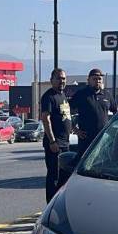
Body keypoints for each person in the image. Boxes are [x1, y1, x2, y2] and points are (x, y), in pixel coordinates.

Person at [39, 68, 72, 202]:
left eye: (63, 78)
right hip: (55, 144)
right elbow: (46, 119)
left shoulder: (63, 96)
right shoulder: (49, 97)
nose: (61, 81)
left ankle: (60, 204)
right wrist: (52, 141)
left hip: (65, 143)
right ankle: (51, 206)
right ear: (51, 80)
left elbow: (66, 117)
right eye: (58, 78)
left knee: (64, 178)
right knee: (54, 177)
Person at [70, 68, 113, 158]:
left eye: (99, 79)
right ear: (88, 80)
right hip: (86, 140)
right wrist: (75, 129)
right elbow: (66, 112)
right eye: (94, 79)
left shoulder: (107, 95)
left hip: (103, 140)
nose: (97, 81)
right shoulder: (81, 94)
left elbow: (116, 112)